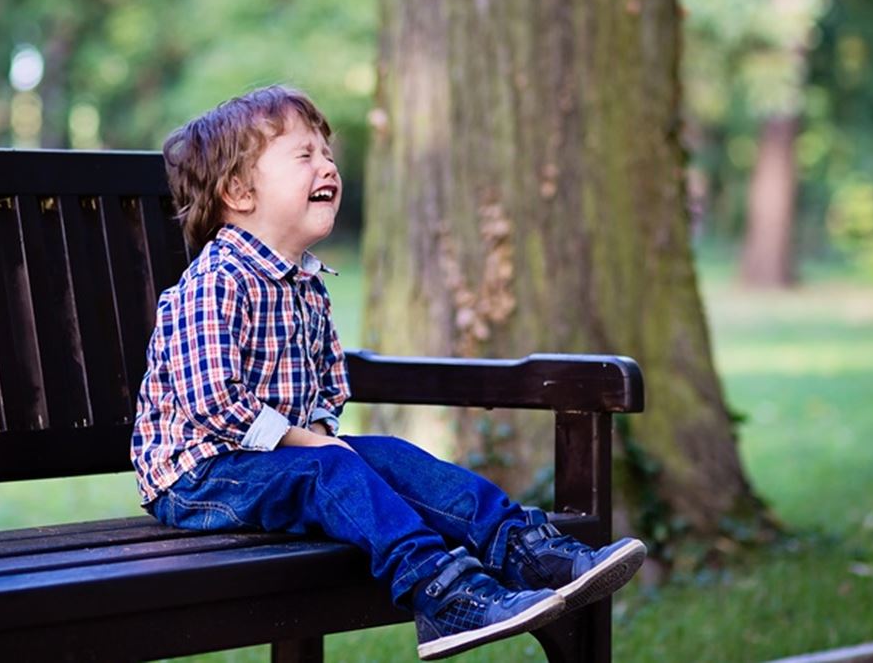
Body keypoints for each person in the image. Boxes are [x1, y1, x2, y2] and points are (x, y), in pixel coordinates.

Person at [130, 85, 645, 660]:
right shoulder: (216, 282)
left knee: (392, 456)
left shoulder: (306, 286)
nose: (327, 166)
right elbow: (213, 402)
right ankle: (443, 595)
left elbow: (329, 380)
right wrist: (311, 444)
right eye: (304, 155)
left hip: (284, 462)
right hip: (199, 476)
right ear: (238, 191)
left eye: (327, 154)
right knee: (329, 470)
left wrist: (319, 431)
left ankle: (526, 550)